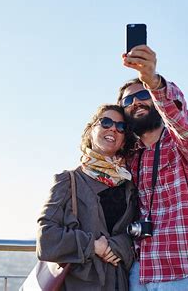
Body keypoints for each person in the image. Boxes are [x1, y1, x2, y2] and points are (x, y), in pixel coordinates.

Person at [118, 45, 188, 290]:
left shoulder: (185, 143)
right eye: (128, 100)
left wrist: (152, 80)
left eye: (143, 95)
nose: (136, 102)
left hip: (185, 272)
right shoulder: (132, 157)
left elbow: (178, 117)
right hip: (139, 273)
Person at [36, 104, 138, 290]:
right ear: (91, 131)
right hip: (79, 284)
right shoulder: (68, 181)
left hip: (119, 284)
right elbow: (46, 239)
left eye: (120, 127)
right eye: (105, 122)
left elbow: (135, 235)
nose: (113, 128)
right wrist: (92, 246)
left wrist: (117, 246)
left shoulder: (129, 185)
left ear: (124, 140)